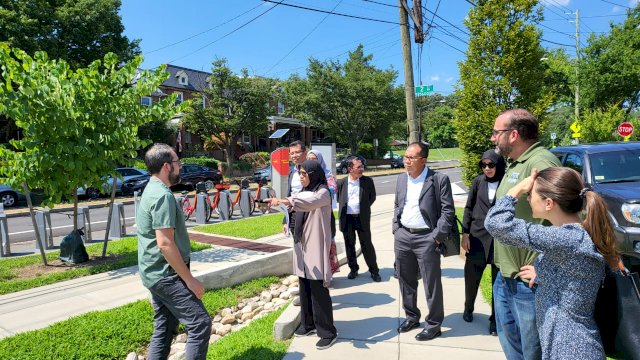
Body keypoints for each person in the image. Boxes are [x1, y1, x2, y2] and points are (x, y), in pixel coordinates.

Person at [485, 167, 618, 359]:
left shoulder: (566, 239)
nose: (528, 198)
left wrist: (517, 189)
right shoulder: (573, 238)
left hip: (572, 349)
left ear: (549, 203)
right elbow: (574, 278)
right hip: (565, 343)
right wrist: (543, 273)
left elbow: (496, 223)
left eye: (531, 194)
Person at [489, 108, 561, 360]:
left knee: (532, 350)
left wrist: (544, 266)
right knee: (511, 342)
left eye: (496, 132)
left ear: (514, 135)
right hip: (506, 274)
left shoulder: (541, 163)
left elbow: (567, 220)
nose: (492, 138)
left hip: (529, 281)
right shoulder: (515, 164)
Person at [136, 144, 211, 360]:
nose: (181, 167)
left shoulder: (151, 188)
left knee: (165, 327)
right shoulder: (161, 196)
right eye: (178, 163)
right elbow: (165, 243)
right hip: (166, 275)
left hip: (153, 273)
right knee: (200, 324)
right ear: (167, 166)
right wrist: (190, 281)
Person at [267, 160, 338, 350]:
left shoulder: (323, 192)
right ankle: (308, 324)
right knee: (304, 286)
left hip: (314, 247)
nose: (301, 177)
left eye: (304, 174)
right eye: (300, 173)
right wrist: (276, 206)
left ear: (314, 174)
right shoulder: (302, 192)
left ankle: (328, 332)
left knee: (318, 290)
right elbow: (293, 207)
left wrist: (285, 200)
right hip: (301, 247)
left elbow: (308, 203)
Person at [392, 142, 455, 341]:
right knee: (405, 280)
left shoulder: (438, 179)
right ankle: (412, 316)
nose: (406, 161)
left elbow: (448, 211)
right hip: (403, 236)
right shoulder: (402, 179)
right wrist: (396, 228)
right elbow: (397, 204)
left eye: (411, 158)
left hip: (427, 238)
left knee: (431, 283)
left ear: (423, 160)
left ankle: (434, 324)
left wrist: (436, 237)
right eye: (405, 157)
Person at [461, 149, 505, 336]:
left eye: (491, 165)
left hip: (498, 241)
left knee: (497, 283)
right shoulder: (478, 182)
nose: (487, 168)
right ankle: (468, 308)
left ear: (498, 165)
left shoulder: (506, 182)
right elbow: (469, 207)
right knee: (471, 278)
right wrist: (465, 234)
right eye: (484, 165)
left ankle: (495, 320)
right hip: (477, 238)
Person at [337, 156, 380, 282]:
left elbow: (372, 198)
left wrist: (363, 207)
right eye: (358, 167)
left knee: (367, 244)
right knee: (349, 245)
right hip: (347, 219)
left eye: (362, 166)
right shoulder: (342, 183)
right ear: (350, 168)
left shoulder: (368, 181)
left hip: (362, 218)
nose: (362, 169)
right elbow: (339, 199)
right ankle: (353, 269)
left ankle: (374, 270)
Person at [307, 150, 340, 275]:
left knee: (326, 242)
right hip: (310, 214)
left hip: (324, 214)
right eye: (309, 158)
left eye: (314, 158)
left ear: (319, 160)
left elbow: (331, 190)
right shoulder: (306, 174)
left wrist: (317, 194)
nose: (311, 160)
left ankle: (328, 272)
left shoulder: (327, 175)